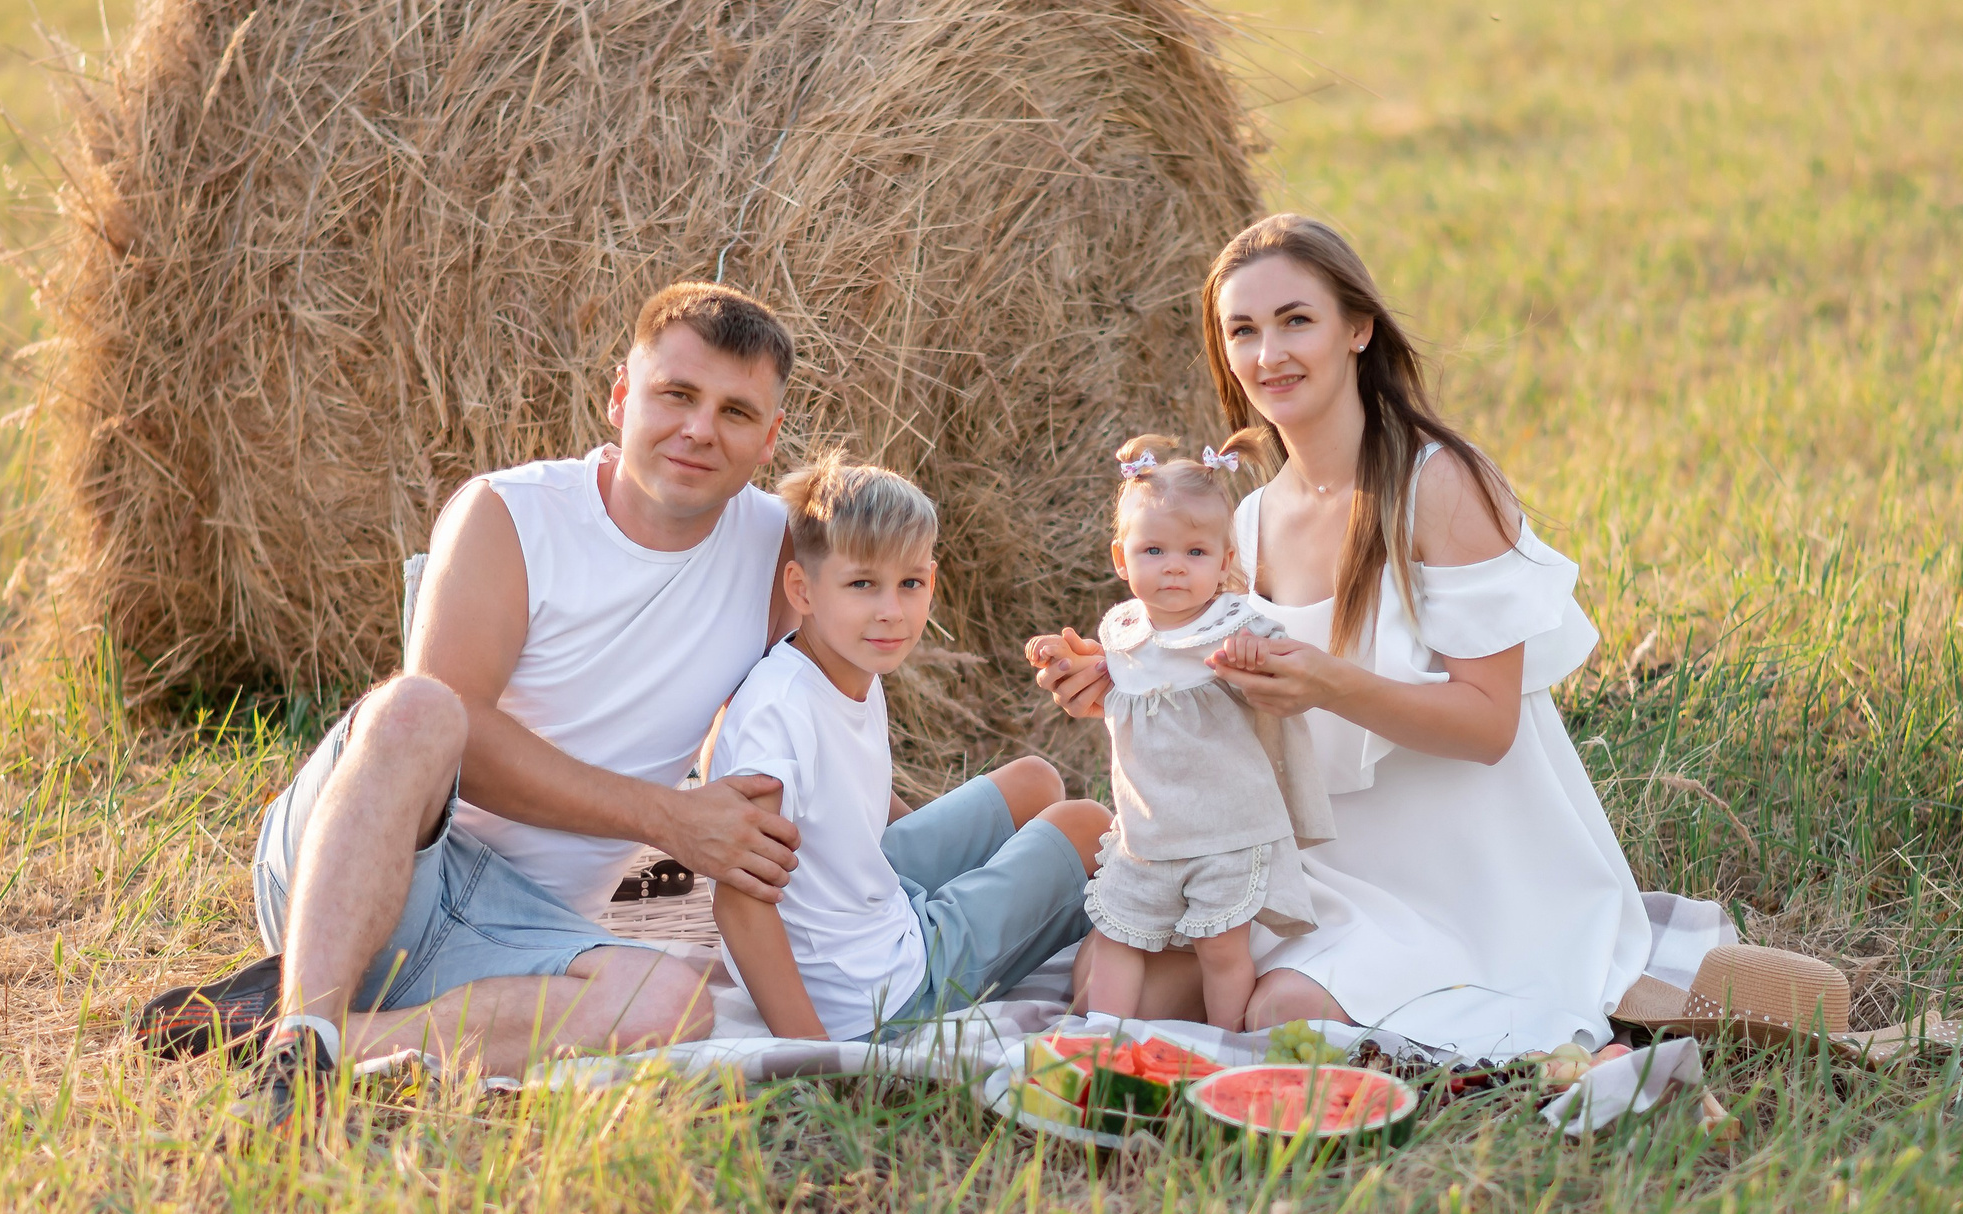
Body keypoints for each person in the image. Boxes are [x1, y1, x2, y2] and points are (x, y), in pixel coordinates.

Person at [1034, 215, 1732, 1057]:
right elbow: (1231, 710)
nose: (1270, 355)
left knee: (1277, 1016)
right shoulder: (1247, 525)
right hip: (1323, 868)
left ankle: (1516, 1008)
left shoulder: (1441, 486)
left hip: (1470, 875)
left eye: (1297, 320)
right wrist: (1124, 676)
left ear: (1358, 328)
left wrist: (1330, 683)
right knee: (1111, 991)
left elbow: (1487, 725)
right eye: (1243, 332)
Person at [143, 282, 820, 1127]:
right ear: (620, 396)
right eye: (676, 395)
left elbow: (806, 727)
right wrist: (671, 820)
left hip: (523, 928)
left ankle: (309, 1037)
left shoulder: (775, 555)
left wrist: (929, 840)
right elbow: (452, 739)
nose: (699, 429)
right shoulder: (511, 514)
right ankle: (302, 1035)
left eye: (735, 411)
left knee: (671, 1009)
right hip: (379, 857)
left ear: (769, 440)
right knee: (420, 707)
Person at [711, 454, 1108, 1041]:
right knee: (1088, 826)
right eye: (862, 584)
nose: (891, 612)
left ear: (932, 580)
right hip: (874, 992)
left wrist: (946, 871)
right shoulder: (780, 714)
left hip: (863, 906)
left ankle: (965, 907)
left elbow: (848, 798)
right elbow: (739, 901)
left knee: (1036, 781)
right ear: (802, 588)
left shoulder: (835, 661)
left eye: (910, 583)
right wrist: (815, 1054)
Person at [1026, 434, 1332, 1029]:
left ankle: (1225, 1046)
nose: (1173, 567)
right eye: (1154, 550)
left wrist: (1253, 659)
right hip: (1147, 833)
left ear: (1224, 563)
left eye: (1195, 553)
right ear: (1122, 558)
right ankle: (1099, 1044)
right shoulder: (1122, 630)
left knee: (1223, 949)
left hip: (1225, 831)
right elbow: (1104, 671)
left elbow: (1287, 672)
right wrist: (1058, 653)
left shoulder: (1235, 627)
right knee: (1119, 937)